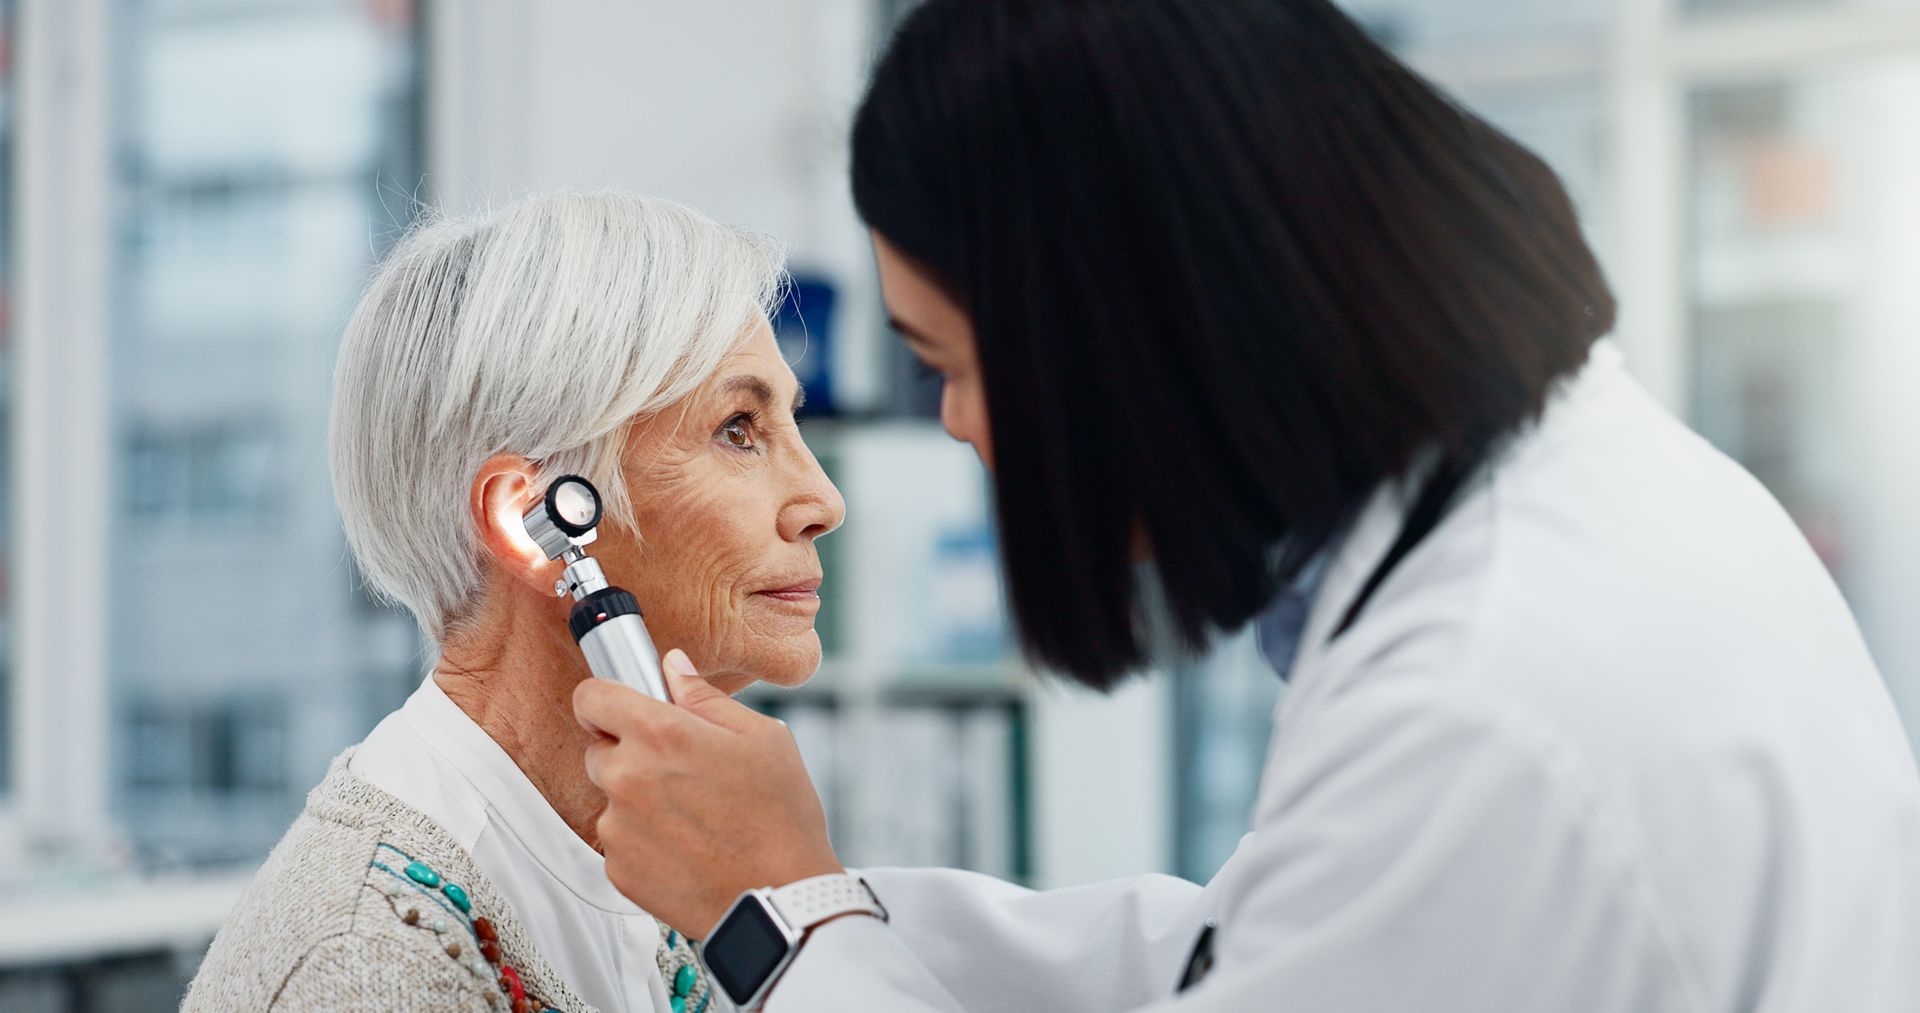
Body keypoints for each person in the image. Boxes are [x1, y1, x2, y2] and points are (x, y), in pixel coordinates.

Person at [569, 1, 1920, 1010]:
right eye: (741, 431)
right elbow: (1251, 947)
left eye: (957, 367)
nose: (955, 430)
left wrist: (783, 922)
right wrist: (843, 903)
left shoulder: (1483, 709)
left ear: (1123, 326)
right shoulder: (1577, 502)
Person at [185, 191, 844, 1012]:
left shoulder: (671, 869)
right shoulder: (368, 962)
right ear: (529, 523)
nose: (823, 498)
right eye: (738, 428)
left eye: (789, 422)